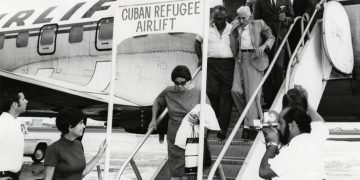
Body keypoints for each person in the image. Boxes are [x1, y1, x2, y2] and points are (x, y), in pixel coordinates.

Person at [148, 65, 208, 180]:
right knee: (175, 173)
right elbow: (157, 101)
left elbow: (208, 112)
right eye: (176, 83)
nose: (179, 86)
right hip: (174, 136)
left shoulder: (198, 92)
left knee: (188, 172)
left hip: (191, 136)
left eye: (182, 83)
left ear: (189, 80)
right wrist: (153, 119)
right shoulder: (169, 91)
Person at [259, 87, 329, 180]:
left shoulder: (296, 147)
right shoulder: (312, 136)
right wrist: (306, 103)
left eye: (281, 123)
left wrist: (273, 144)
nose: (278, 127)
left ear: (292, 124)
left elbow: (264, 171)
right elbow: (321, 124)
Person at [230, 6, 275, 139]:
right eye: (239, 17)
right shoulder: (236, 25)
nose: (241, 20)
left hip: (254, 58)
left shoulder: (258, 23)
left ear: (250, 17)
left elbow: (271, 37)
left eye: (244, 18)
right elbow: (229, 29)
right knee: (235, 90)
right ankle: (248, 117)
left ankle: (249, 126)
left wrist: (263, 46)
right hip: (239, 59)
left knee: (252, 94)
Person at [195, 5, 234, 140]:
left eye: (220, 19)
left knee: (226, 96)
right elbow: (197, 42)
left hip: (228, 65)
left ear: (226, 18)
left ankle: (223, 129)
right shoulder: (207, 28)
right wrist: (200, 58)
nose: (218, 21)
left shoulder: (231, 28)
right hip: (211, 64)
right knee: (211, 92)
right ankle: (216, 115)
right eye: (216, 18)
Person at [44, 107, 107, 180]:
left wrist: (99, 154)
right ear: (70, 126)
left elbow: (82, 173)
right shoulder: (53, 149)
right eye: (80, 123)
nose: (84, 126)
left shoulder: (78, 145)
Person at [254, 0, 294, 109]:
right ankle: (268, 100)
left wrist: (285, 19)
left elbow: (292, 18)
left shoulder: (286, 1)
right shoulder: (260, 2)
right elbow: (256, 21)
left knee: (278, 67)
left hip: (280, 40)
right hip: (265, 41)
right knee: (265, 69)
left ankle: (279, 99)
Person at [0, 88, 28, 180]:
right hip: (3, 176)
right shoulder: (2, 122)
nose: (26, 101)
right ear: (15, 105)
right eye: (23, 99)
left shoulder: (19, 122)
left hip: (14, 175)